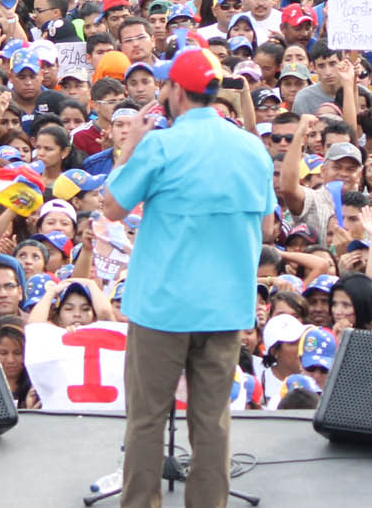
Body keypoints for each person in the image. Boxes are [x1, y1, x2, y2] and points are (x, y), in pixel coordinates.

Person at [104, 48, 274, 507]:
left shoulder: (161, 145)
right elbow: (268, 227)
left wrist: (131, 145)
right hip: (225, 308)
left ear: (176, 92)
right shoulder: (251, 147)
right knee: (212, 421)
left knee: (146, 421)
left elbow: (114, 207)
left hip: (162, 308)